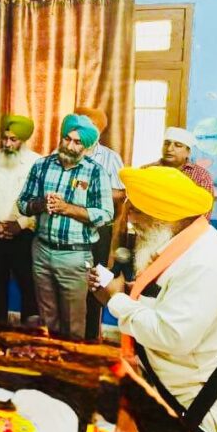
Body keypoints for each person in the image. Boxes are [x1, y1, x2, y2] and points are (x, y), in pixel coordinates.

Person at [90, 166, 217, 432]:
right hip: (180, 390)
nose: (131, 221)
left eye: (137, 211)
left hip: (203, 409)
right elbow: (176, 302)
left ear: (167, 218)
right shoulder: (192, 245)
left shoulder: (205, 263)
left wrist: (116, 300)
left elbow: (172, 335)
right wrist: (131, 293)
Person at [17, 114, 113, 339]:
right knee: (46, 318)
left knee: (73, 324)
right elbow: (22, 204)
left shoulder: (95, 171)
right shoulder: (41, 165)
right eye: (67, 139)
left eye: (77, 142)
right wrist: (41, 204)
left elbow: (106, 214)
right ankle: (51, 357)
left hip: (75, 256)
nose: (70, 146)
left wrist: (67, 208)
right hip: (41, 251)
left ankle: (71, 359)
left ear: (86, 146)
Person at [0, 114, 41, 328]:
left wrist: (20, 224)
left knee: (28, 288)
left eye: (13, 139)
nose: (7, 143)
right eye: (5, 138)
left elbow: (40, 202)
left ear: (24, 140)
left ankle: (27, 339)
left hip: (24, 235)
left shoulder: (37, 163)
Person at [74, 106, 125, 340]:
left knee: (94, 283)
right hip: (68, 228)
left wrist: (90, 193)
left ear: (98, 130)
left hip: (98, 230)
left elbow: (120, 194)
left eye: (90, 125)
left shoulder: (110, 158)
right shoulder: (66, 151)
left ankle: (91, 336)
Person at [144, 126, 215, 196]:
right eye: (166, 144)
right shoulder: (146, 170)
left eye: (178, 145)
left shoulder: (202, 175)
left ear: (188, 152)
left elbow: (205, 202)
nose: (169, 149)